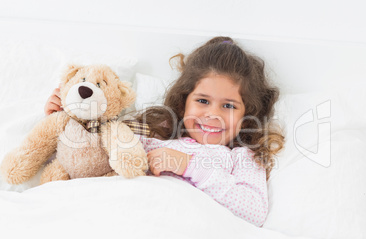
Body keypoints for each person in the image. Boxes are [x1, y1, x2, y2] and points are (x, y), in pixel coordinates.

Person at [44, 36, 285, 227]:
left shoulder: (242, 157)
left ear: (246, 114)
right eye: (202, 101)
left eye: (229, 106)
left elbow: (254, 212)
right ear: (184, 102)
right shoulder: (154, 135)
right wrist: (64, 119)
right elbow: (89, 161)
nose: (213, 114)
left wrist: (190, 166)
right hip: (126, 219)